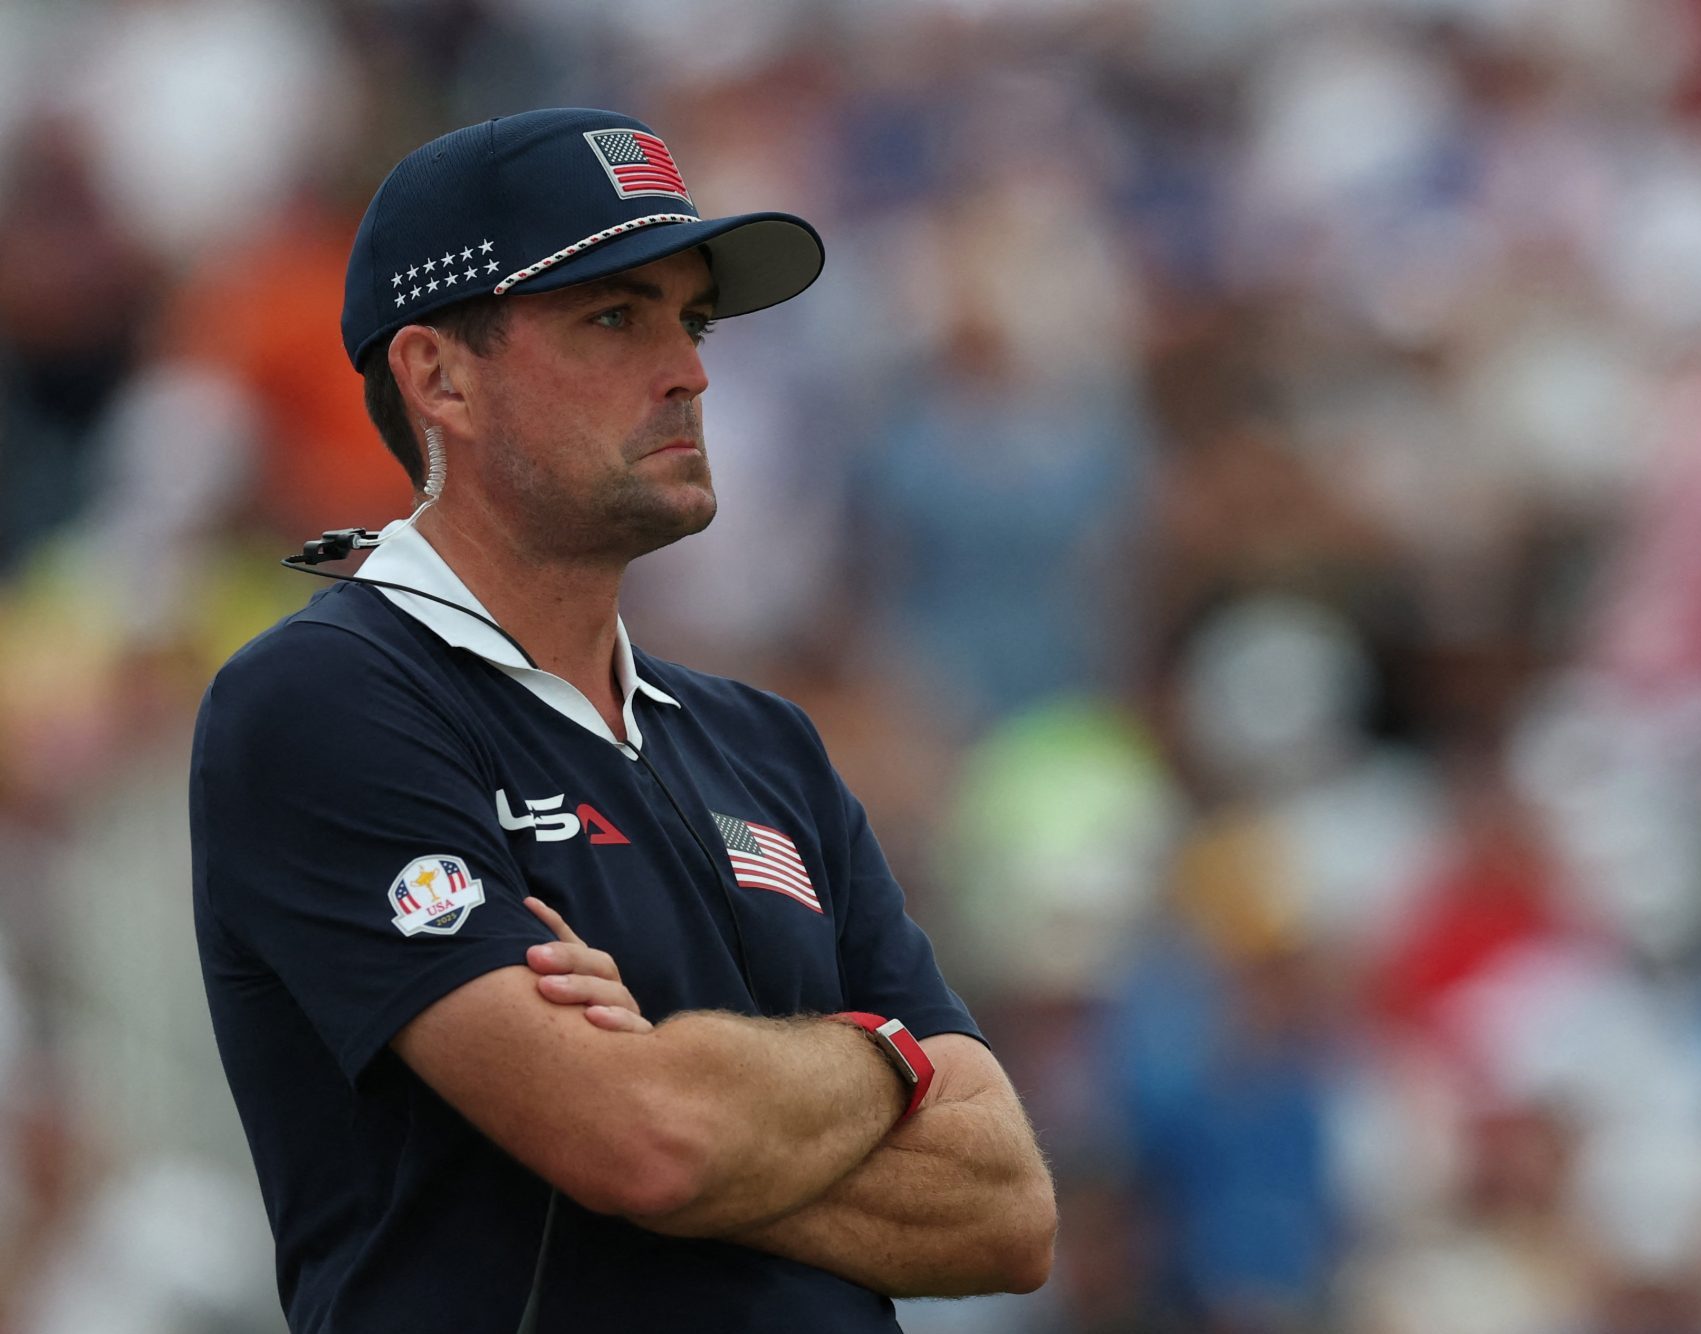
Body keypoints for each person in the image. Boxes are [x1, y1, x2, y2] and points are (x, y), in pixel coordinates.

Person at [188, 108, 1056, 1334]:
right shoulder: (323, 697)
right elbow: (642, 1145)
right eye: (616, 316)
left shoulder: (765, 742)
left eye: (691, 320)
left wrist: (677, 1076)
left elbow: (1008, 1211)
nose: (691, 369)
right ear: (439, 375)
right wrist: (890, 1057)